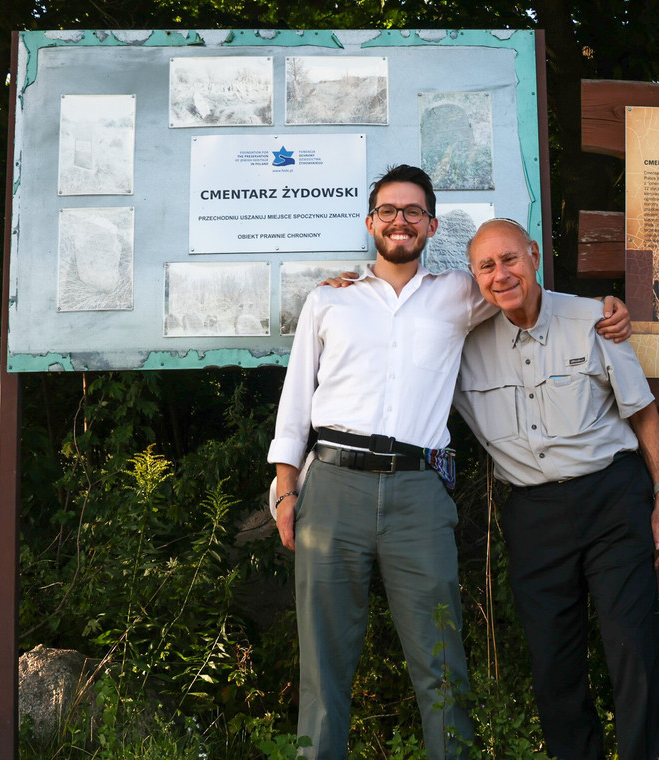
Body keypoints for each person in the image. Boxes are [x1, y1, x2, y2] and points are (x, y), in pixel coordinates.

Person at [268, 165, 630, 760]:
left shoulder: (461, 293)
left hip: (418, 493)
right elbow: (295, 400)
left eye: (413, 211)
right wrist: (285, 489)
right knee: (324, 667)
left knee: (441, 662)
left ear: (431, 225)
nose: (400, 220)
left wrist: (602, 308)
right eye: (388, 210)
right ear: (370, 222)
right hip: (331, 486)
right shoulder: (329, 300)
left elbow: (523, 287)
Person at [453, 219, 659, 760]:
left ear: (533, 256)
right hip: (533, 514)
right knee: (553, 665)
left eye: (509, 259)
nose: (500, 274)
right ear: (474, 276)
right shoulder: (461, 342)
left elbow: (643, 411)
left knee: (632, 649)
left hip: (612, 501)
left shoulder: (594, 320)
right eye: (486, 266)